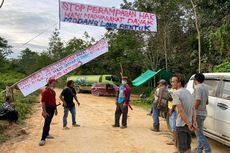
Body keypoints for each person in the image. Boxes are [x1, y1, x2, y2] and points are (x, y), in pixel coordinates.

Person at [171, 74, 197, 153]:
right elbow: (193, 109)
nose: (171, 83)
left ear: (179, 83)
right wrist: (193, 122)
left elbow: (181, 111)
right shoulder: (188, 92)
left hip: (182, 124)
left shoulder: (176, 93)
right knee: (188, 147)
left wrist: (189, 124)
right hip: (188, 123)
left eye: (173, 81)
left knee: (182, 149)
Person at [193, 73, 211, 153]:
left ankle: (208, 150)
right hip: (203, 113)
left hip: (198, 113)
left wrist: (192, 111)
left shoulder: (197, 87)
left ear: (195, 80)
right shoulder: (206, 88)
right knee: (199, 131)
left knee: (199, 133)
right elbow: (207, 102)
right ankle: (199, 149)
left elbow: (198, 100)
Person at [39, 78, 58, 146]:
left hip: (52, 109)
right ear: (49, 84)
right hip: (47, 109)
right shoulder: (45, 92)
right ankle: (42, 139)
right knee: (46, 123)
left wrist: (56, 109)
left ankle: (47, 134)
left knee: (49, 122)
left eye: (55, 83)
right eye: (53, 83)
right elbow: (43, 102)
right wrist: (44, 111)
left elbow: (54, 101)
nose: (55, 84)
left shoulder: (53, 92)